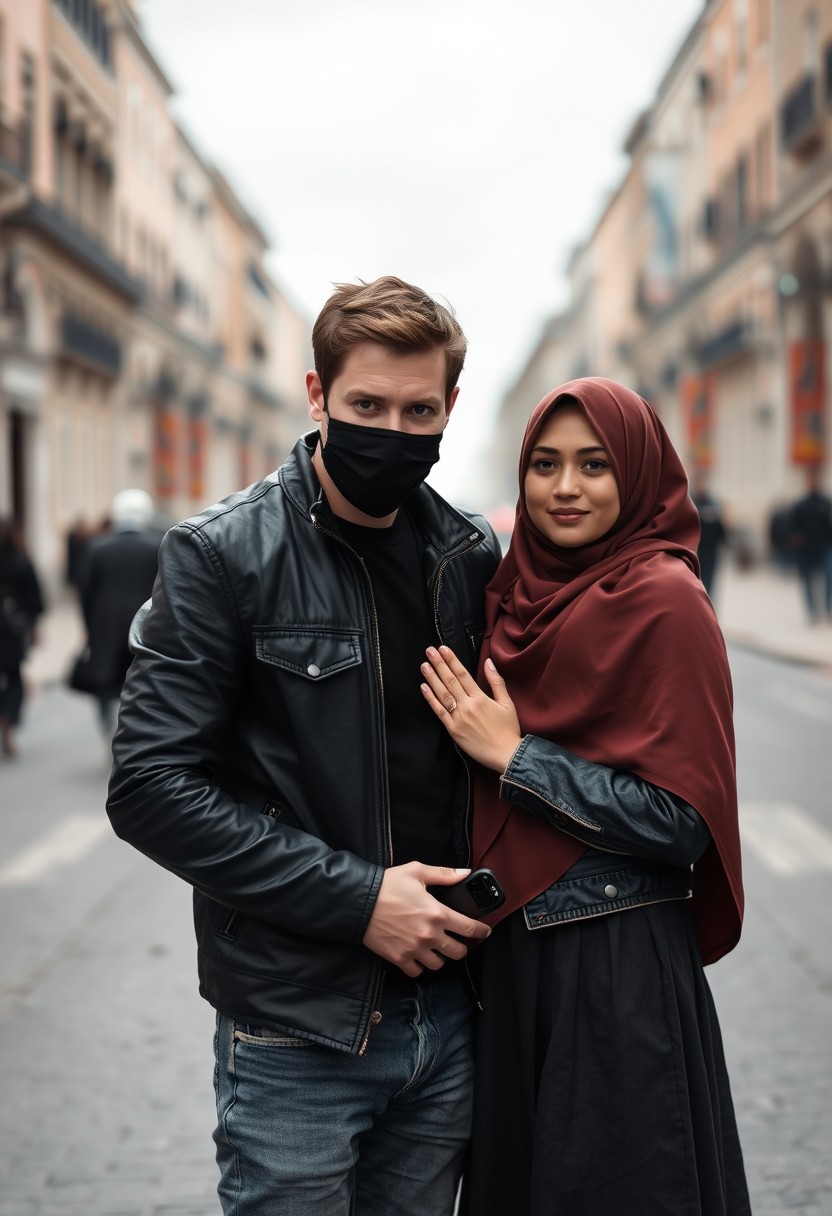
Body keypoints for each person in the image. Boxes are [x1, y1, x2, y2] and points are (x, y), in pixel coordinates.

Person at [106, 276, 501, 1216]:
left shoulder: (470, 556)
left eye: (418, 410)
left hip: (449, 1016)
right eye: (366, 405)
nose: (391, 430)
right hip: (298, 1028)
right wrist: (361, 900)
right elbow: (151, 787)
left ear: (450, 410)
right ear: (318, 394)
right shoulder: (219, 553)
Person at [421, 377, 750, 1215]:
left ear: (637, 472)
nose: (565, 488)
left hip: (614, 966)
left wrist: (517, 757)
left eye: (595, 464)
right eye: (546, 464)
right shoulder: (510, 598)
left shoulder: (666, 600)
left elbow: (682, 822)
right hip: (515, 963)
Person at [77, 488, 161, 735]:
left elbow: (85, 592)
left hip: (105, 626)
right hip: (147, 625)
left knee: (105, 679)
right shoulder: (158, 544)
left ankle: (107, 725)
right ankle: (137, 729)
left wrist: (89, 627)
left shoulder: (97, 547)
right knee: (142, 680)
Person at [0, 518, 45, 758]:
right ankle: (8, 716)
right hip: (11, 630)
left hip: (10, 628)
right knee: (14, 677)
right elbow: (35, 597)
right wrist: (34, 627)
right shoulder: (20, 560)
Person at [788, 467, 832, 623]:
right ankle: (812, 611)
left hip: (824, 547)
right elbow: (792, 529)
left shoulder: (825, 503)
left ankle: (828, 609)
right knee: (807, 581)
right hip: (806, 550)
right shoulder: (801, 505)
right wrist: (796, 539)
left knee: (828, 577)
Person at [690, 472, 728, 597]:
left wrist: (725, 540)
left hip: (712, 549)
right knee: (697, 579)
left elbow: (721, 525)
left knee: (710, 579)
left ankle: (708, 602)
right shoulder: (690, 501)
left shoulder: (713, 503)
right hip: (697, 548)